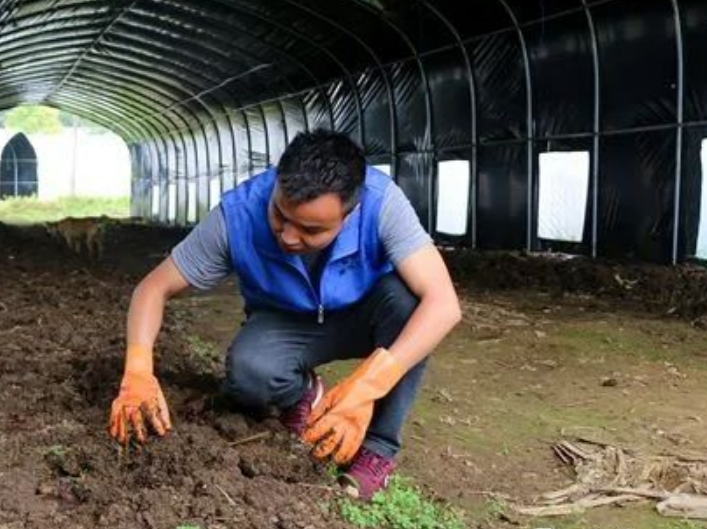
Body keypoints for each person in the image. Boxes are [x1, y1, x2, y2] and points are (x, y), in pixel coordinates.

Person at [108, 129, 462, 500]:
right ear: (277, 181)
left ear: (350, 212)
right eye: (280, 214)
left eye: (311, 229)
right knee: (248, 372)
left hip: (365, 316)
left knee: (411, 308)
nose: (289, 237)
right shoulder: (237, 214)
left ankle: (377, 450)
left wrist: (368, 386)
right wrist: (137, 371)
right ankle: (302, 393)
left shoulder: (381, 202)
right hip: (286, 320)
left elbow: (443, 304)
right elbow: (152, 288)